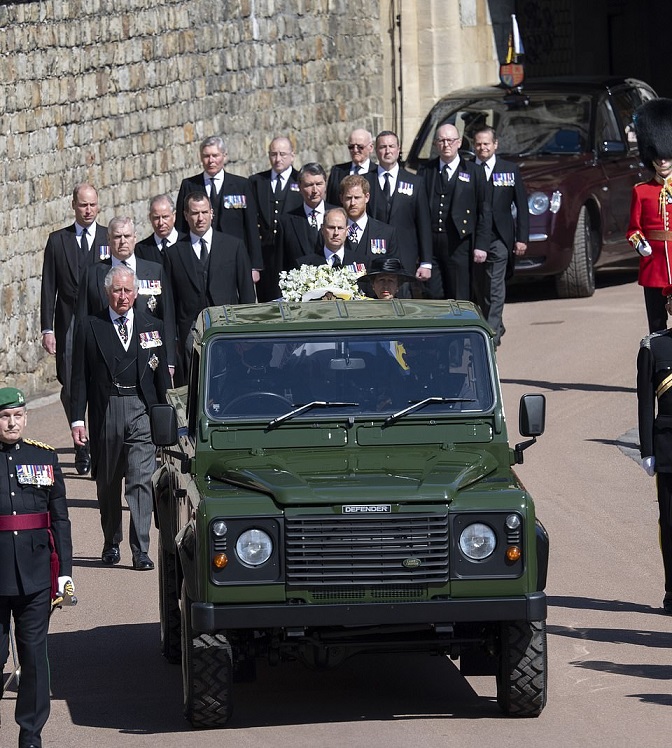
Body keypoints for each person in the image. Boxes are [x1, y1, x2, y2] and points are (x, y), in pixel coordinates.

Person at [70, 266, 171, 571]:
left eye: (128, 290)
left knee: (140, 481)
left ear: (136, 293)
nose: (123, 296)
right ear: (107, 293)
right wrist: (77, 420)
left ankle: (141, 550)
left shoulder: (152, 326)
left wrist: (165, 419)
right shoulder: (90, 327)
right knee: (108, 483)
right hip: (107, 410)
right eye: (117, 290)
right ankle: (111, 542)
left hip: (141, 409)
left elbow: (161, 380)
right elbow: (79, 379)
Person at [0, 386, 73, 748]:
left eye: (17, 416)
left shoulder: (43, 457)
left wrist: (65, 574)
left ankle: (30, 735)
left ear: (26, 418)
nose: (12, 423)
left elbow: (60, 520)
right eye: (4, 417)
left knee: (33, 659)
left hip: (36, 577)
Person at [40, 183, 107, 475]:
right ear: (73, 206)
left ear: (98, 205)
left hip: (101, 322)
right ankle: (81, 444)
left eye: (92, 205)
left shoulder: (108, 238)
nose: (88, 210)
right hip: (68, 324)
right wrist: (47, 329)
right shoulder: (58, 241)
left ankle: (102, 446)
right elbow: (48, 286)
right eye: (83, 205)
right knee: (70, 386)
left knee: (102, 384)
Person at [165, 192, 256, 382]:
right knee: (195, 381)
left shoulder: (233, 246)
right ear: (186, 215)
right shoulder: (174, 253)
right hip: (190, 330)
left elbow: (247, 293)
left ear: (212, 213)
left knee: (229, 380)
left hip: (227, 327)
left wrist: (246, 334)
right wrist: (174, 339)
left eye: (204, 212)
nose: (200, 218)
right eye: (195, 213)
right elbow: (170, 302)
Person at [76, 216, 177, 380]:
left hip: (149, 355)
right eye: (117, 236)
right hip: (106, 359)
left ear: (135, 238)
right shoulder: (93, 274)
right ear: (108, 239)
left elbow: (167, 318)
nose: (122, 241)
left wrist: (170, 361)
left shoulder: (154, 271)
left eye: (127, 236)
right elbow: (82, 320)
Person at [419, 123, 492, 301]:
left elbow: (484, 210)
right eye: (442, 140)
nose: (446, 145)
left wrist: (481, 245)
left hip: (460, 243)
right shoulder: (426, 171)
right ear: (436, 144)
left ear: (459, 143)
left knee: (459, 294)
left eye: (450, 140)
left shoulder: (475, 171)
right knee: (433, 294)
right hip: (431, 243)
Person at [175, 136, 262, 282]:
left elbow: (251, 226)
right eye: (206, 156)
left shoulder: (241, 185)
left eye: (215, 155)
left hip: (233, 255)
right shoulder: (189, 185)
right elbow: (181, 225)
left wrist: (255, 266)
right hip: (200, 255)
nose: (211, 160)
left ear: (224, 156)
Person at [472, 126, 529, 346]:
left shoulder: (509, 169)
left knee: (495, 285)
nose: (482, 148)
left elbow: (521, 205)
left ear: (495, 145)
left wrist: (522, 238)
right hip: (475, 239)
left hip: (500, 238)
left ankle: (492, 333)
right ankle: (496, 323)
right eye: (478, 144)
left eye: (486, 143)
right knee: (480, 286)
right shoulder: (468, 170)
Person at [636, 285, 672, 614]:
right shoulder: (654, 346)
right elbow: (646, 403)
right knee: (670, 522)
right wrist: (647, 449)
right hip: (668, 447)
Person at [364, 131, 433, 284]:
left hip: (405, 256)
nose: (387, 151)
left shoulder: (415, 182)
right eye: (383, 147)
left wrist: (426, 262)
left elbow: (424, 223)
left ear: (399, 149)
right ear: (376, 150)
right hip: (373, 256)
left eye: (391, 146)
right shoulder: (366, 181)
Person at [628, 98, 672, 333]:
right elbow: (633, 229)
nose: (662, 160)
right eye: (657, 155)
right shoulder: (641, 191)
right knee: (656, 325)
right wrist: (639, 244)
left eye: (666, 155)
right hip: (654, 265)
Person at [249, 136, 303, 301]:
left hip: (291, 255)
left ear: (292, 156)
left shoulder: (301, 180)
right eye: (273, 154)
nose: (278, 159)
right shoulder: (257, 182)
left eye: (282, 154)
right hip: (265, 256)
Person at [277, 162, 337, 270]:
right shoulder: (286, 221)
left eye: (319, 184)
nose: (314, 191)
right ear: (299, 187)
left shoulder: (339, 215)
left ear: (325, 185)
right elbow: (280, 263)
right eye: (309, 185)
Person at [339, 174, 399, 266]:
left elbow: (393, 269)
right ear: (341, 198)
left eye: (357, 197)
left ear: (367, 197)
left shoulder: (386, 233)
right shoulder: (331, 231)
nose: (353, 203)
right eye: (348, 198)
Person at [326, 128, 377, 206]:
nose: (355, 150)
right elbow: (330, 203)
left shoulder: (378, 172)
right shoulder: (337, 172)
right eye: (351, 147)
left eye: (360, 147)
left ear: (371, 147)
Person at [297, 207, 362, 268]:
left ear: (347, 231)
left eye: (340, 228)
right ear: (322, 229)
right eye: (331, 228)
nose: (336, 233)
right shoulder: (305, 265)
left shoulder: (361, 262)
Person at [135, 193, 185, 266]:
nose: (161, 223)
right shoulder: (141, 250)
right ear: (150, 218)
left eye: (165, 217)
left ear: (174, 216)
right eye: (156, 218)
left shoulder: (188, 243)